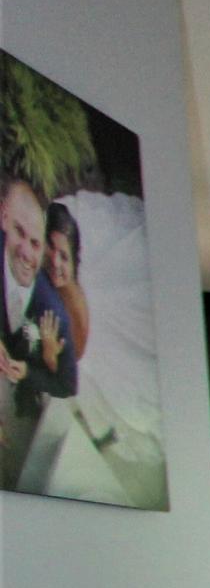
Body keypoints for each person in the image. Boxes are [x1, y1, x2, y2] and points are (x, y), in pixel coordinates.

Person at [0, 173, 78, 490]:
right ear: (3, 217)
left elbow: (66, 384)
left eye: (35, 243)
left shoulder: (53, 314)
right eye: (19, 232)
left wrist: (27, 371)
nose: (26, 253)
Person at [42, 199, 89, 375]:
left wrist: (50, 354)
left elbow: (67, 368)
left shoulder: (75, 310)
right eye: (51, 247)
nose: (55, 261)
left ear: (73, 262)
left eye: (63, 256)